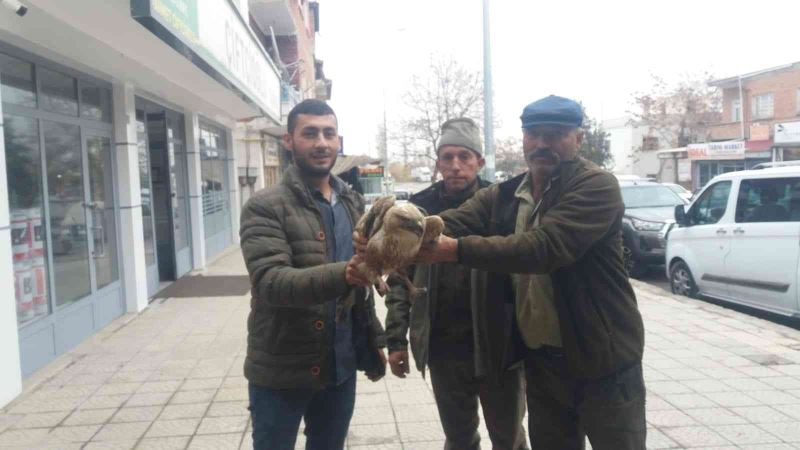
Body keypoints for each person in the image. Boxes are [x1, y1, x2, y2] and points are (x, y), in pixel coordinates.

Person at [413, 96, 647, 450]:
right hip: (542, 362)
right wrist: (392, 232)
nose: (541, 144)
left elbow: (543, 248)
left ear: (578, 138)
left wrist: (455, 250)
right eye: (533, 134)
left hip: (603, 360)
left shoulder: (596, 185)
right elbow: (454, 220)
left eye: (554, 134)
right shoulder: (507, 193)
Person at [240, 99, 386, 450]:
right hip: (282, 368)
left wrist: (373, 341)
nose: (321, 142)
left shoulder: (351, 201)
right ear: (289, 141)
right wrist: (345, 274)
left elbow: (361, 288)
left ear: (338, 141)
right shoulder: (265, 206)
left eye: (328, 133)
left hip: (339, 366)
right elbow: (271, 282)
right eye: (310, 133)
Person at [384, 118, 527, 450]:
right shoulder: (418, 209)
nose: (456, 165)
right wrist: (396, 340)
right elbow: (399, 278)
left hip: (498, 346)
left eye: (465, 156)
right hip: (444, 348)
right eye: (447, 157)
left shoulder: (502, 205)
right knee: (459, 438)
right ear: (438, 163)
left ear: (480, 161)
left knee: (509, 438)